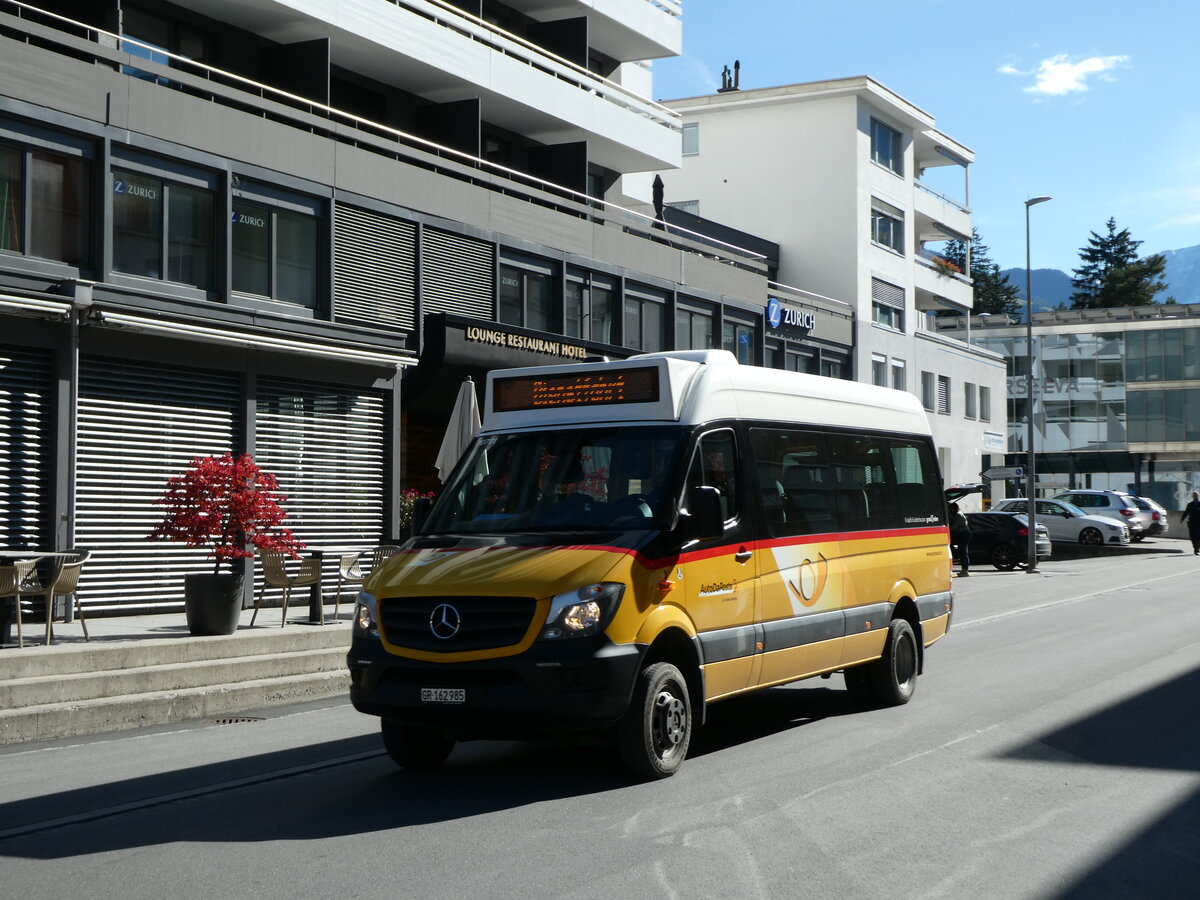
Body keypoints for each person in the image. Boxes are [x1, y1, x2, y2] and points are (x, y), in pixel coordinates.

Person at [948, 501, 971, 577]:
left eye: (950, 509)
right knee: (964, 551)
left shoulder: (958, 515)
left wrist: (947, 527)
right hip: (965, 534)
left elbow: (954, 527)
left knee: (963, 552)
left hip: (963, 534)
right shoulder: (960, 513)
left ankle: (965, 571)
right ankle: (965, 570)